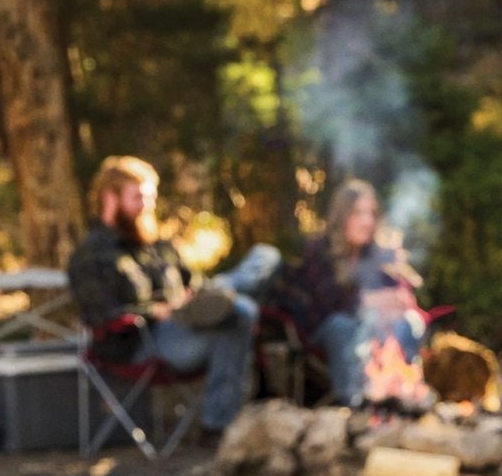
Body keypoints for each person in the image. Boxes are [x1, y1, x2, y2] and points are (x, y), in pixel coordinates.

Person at [68, 156, 261, 443]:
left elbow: (191, 281)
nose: (147, 205)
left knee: (255, 276)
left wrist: (193, 296)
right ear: (110, 198)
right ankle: (217, 426)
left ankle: (217, 426)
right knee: (240, 311)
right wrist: (155, 311)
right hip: (141, 342)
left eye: (151, 198)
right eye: (138, 197)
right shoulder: (91, 254)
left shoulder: (158, 246)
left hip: (187, 322)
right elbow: (101, 315)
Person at [267, 179, 426, 405]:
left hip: (374, 332)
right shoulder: (321, 249)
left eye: (371, 214)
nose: (367, 221)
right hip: (326, 331)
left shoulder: (379, 254)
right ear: (342, 216)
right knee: (342, 325)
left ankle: (401, 394)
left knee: (409, 323)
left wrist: (399, 301)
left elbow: (400, 294)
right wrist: (369, 301)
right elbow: (326, 304)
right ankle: (354, 401)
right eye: (358, 213)